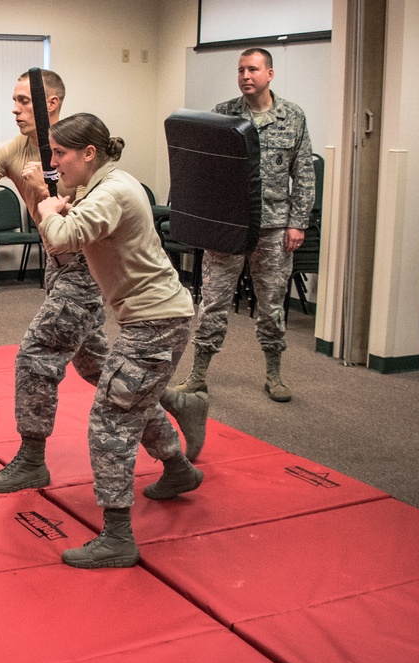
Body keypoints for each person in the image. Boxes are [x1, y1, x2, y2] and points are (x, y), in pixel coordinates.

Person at [0, 71, 208, 494]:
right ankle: (175, 443)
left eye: (24, 101)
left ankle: (32, 460)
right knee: (98, 369)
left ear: (50, 104)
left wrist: (45, 194)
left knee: (36, 355)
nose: (15, 109)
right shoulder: (12, 150)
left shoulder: (77, 150)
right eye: (14, 100)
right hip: (57, 265)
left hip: (85, 270)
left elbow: (86, 216)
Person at [34, 113, 200, 568]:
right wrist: (58, 206)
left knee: (110, 421)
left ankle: (118, 536)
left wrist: (47, 208)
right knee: (133, 404)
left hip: (154, 324)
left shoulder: (111, 192)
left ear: (89, 153)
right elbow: (74, 231)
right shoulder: (106, 185)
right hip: (155, 318)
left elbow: (62, 240)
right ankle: (179, 469)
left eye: (60, 153)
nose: (54, 163)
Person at [175, 47, 315, 402]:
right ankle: (198, 374)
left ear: (270, 74)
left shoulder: (292, 117)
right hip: (228, 228)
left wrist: (297, 223)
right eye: (240, 70)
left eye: (252, 69)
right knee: (213, 302)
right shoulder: (224, 115)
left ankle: (274, 374)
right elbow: (205, 172)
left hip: (273, 227)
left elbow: (304, 175)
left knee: (271, 303)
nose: (245, 76)